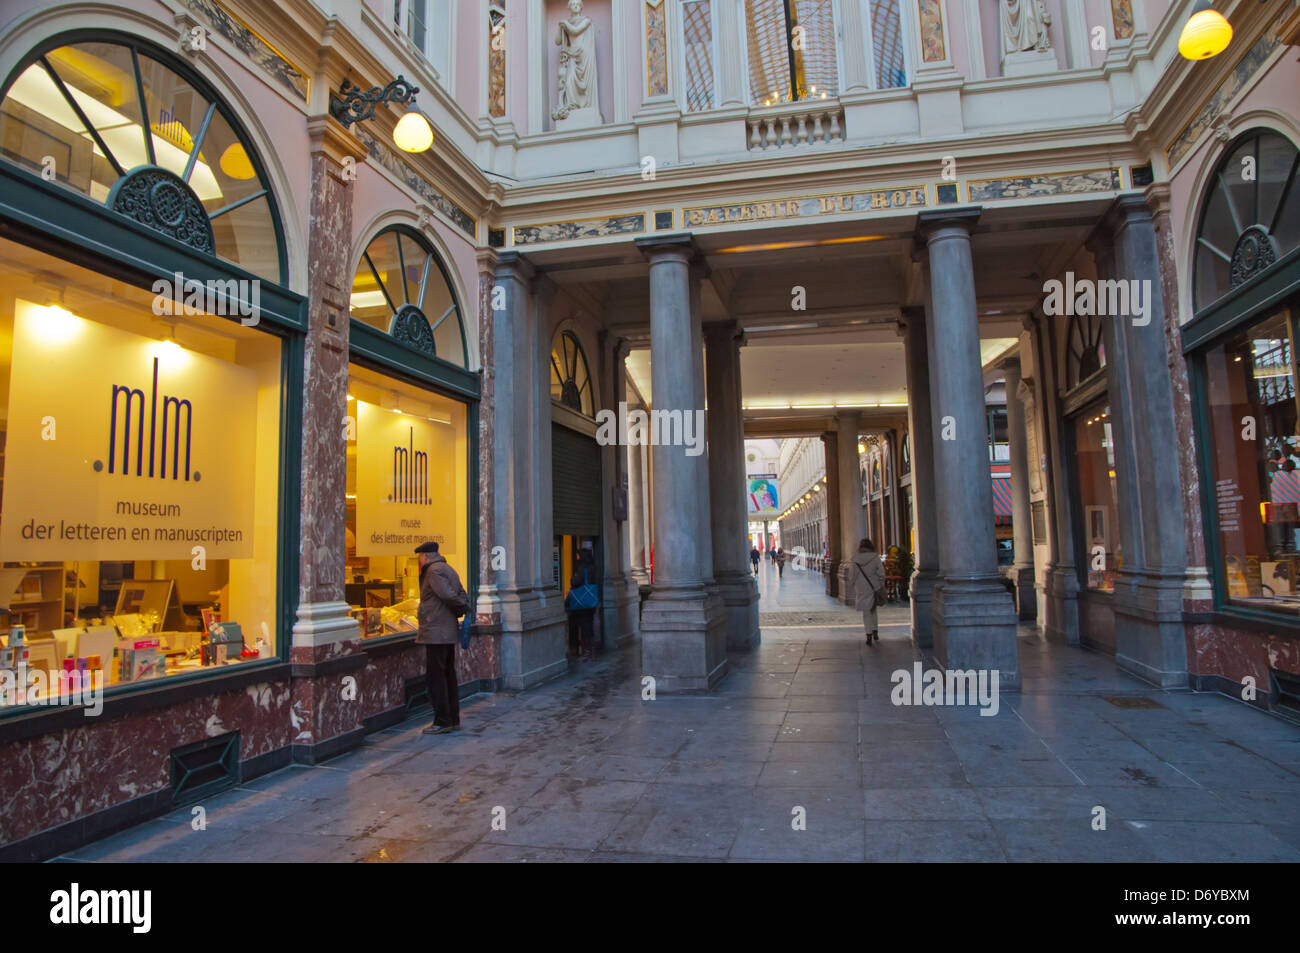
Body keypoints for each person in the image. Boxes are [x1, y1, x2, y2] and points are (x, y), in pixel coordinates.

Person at [415, 540, 467, 734]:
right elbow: (460, 592)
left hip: (436, 632)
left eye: (419, 557)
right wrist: (463, 604)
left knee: (436, 678)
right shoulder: (448, 568)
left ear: (425, 556)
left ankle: (442, 721)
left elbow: (447, 595)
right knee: (448, 675)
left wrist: (461, 606)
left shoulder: (432, 571)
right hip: (446, 631)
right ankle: (452, 719)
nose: (419, 560)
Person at [849, 537, 886, 644]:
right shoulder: (875, 557)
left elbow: (852, 575)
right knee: (873, 608)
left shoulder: (855, 559)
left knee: (866, 611)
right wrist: (880, 583)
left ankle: (868, 634)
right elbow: (881, 573)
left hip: (861, 587)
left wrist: (853, 585)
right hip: (874, 586)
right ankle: (875, 631)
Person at [567, 547, 600, 661]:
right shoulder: (594, 568)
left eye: (578, 556)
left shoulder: (582, 569)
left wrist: (572, 579)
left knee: (584, 626)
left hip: (582, 603)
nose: (577, 558)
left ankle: (586, 652)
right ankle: (590, 650)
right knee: (589, 625)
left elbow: (576, 581)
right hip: (591, 602)